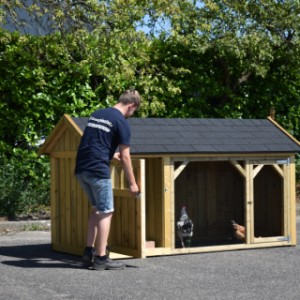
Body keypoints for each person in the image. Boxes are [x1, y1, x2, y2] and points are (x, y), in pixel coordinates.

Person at [75, 89, 141, 270]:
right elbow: (127, 157)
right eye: (134, 111)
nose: (131, 115)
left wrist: (111, 154)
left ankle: (88, 253)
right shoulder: (122, 122)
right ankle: (102, 258)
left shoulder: (98, 114)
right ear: (131, 105)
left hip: (82, 169)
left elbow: (92, 143)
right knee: (106, 212)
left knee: (96, 210)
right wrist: (133, 183)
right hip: (97, 171)